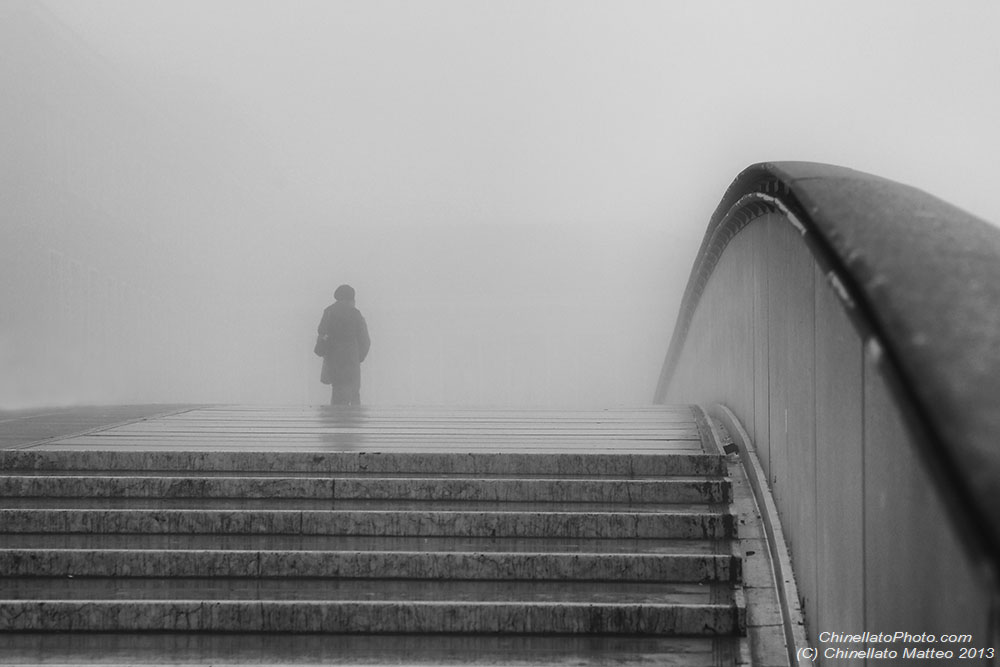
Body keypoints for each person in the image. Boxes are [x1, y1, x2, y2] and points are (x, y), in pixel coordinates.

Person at [316, 284, 370, 406]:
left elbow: (321, 332)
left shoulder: (329, 312)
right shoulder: (355, 314)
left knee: (337, 393)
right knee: (354, 394)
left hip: (334, 360)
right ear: (351, 299)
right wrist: (359, 357)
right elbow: (365, 340)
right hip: (352, 360)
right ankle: (353, 422)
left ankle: (337, 422)